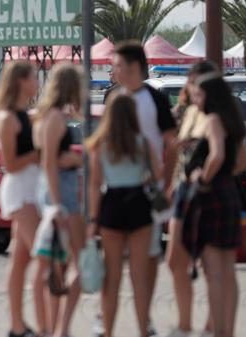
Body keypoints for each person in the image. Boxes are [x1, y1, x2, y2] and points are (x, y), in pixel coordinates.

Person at [111, 41, 177, 337]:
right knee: (114, 262)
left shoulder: (155, 98)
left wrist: (169, 182)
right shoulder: (115, 99)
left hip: (149, 193)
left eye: (117, 65)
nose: (113, 70)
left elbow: (171, 142)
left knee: (148, 259)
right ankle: (106, 316)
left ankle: (143, 317)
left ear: (135, 66)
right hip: (116, 191)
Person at [87, 93, 162, 337]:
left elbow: (95, 186)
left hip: (112, 206)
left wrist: (93, 220)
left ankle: (107, 331)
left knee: (112, 276)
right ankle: (143, 330)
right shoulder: (142, 142)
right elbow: (158, 174)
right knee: (139, 277)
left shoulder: (101, 144)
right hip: (138, 203)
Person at [182, 73, 246, 337]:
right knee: (228, 269)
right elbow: (243, 161)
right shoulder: (233, 122)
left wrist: (203, 178)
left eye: (198, 94)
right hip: (229, 193)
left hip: (212, 196)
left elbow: (217, 155)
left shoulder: (212, 120)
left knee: (214, 269)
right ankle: (227, 330)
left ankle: (220, 331)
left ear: (210, 96)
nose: (194, 99)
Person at [165, 61, 218, 337]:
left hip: (207, 191)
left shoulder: (216, 115)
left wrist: (207, 177)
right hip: (182, 188)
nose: (192, 87)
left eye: (198, 82)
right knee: (174, 258)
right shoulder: (184, 112)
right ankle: (184, 323)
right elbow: (178, 151)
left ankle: (211, 322)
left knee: (209, 262)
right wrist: (172, 182)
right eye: (191, 81)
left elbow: (229, 157)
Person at [0, 61, 41, 337]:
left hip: (32, 188)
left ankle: (17, 326)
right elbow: (11, 163)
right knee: (44, 256)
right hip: (20, 190)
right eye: (34, 76)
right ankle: (41, 324)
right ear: (21, 81)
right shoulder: (8, 117)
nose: (38, 81)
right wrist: (39, 153)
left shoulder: (25, 114)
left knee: (20, 260)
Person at [32, 64, 84, 337]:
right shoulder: (54, 118)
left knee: (59, 264)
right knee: (77, 261)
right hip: (60, 195)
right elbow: (50, 162)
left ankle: (55, 328)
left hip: (56, 192)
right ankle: (58, 329)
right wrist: (57, 206)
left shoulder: (48, 116)